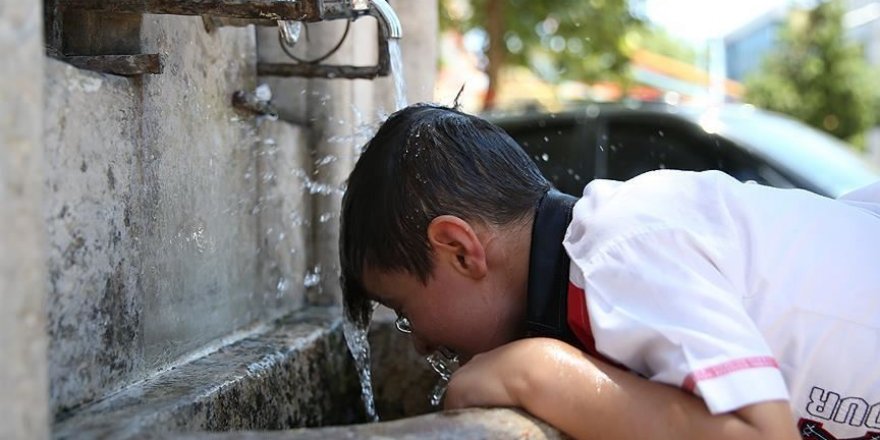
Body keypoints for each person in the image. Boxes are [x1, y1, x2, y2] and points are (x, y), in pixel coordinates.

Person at [339, 103, 880, 440]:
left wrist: (538, 371)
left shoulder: (619, 243)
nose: (419, 346)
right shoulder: (601, 271)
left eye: (405, 312)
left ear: (459, 249)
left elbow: (760, 437)